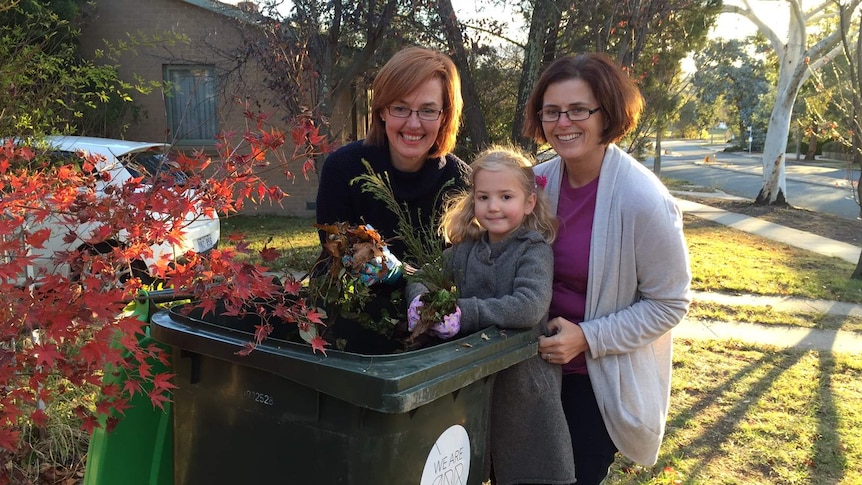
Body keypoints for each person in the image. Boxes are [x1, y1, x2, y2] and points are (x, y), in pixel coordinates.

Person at [524, 53, 692, 484]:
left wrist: (587, 337)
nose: (564, 123)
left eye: (579, 110)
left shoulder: (643, 200)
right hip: (530, 370)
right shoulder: (535, 185)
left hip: (595, 383)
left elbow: (670, 303)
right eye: (552, 111)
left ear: (607, 114)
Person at [407, 146, 576, 485]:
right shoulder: (466, 249)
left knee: (529, 469)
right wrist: (420, 302)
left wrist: (465, 312)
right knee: (473, 464)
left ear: (529, 202)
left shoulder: (533, 249)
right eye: (484, 197)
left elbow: (529, 305)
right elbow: (420, 275)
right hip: (476, 385)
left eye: (506, 196)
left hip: (525, 385)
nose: (493, 206)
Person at [315, 46, 471, 353]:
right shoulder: (343, 169)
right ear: (382, 111)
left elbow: (459, 274)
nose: (413, 124)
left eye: (428, 110)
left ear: (444, 116)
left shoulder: (461, 182)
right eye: (401, 108)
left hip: (429, 336)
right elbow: (335, 256)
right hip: (348, 331)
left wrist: (403, 273)